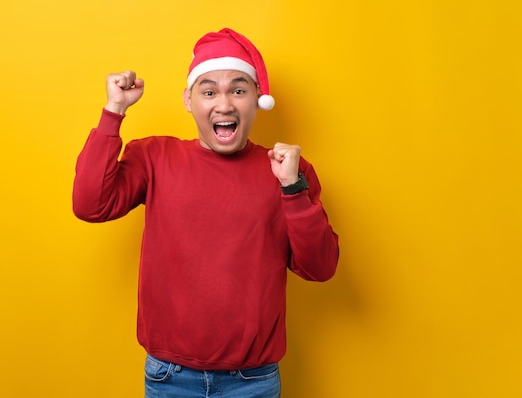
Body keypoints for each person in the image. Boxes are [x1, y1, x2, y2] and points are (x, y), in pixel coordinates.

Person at [72, 28, 339, 398]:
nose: (225, 105)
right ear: (189, 99)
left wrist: (293, 189)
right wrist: (113, 110)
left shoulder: (287, 170)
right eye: (209, 91)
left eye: (239, 90)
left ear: (258, 98)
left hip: (254, 381)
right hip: (170, 376)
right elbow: (90, 205)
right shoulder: (154, 157)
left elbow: (320, 268)